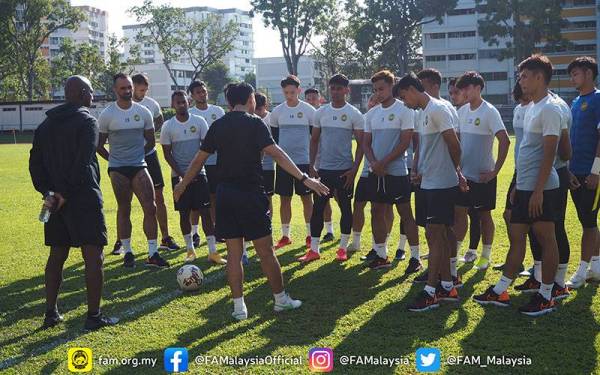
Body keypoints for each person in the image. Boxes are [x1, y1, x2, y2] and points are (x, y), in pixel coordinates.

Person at [173, 82, 329, 320]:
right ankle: (280, 300)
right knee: (266, 251)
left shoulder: (218, 125)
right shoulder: (255, 123)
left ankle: (239, 308)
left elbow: (198, 160)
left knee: (234, 254)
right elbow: (276, 153)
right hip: (250, 195)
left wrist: (182, 185)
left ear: (228, 102)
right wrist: (304, 178)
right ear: (250, 100)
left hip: (224, 196)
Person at [473, 54, 562, 316]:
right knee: (516, 238)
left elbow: (550, 154)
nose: (520, 81)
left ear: (539, 77)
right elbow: (526, 151)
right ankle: (501, 289)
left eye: (524, 76)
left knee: (547, 240)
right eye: (520, 76)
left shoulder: (549, 108)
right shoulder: (531, 107)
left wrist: (536, 190)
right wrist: (518, 185)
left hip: (543, 188)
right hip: (524, 186)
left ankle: (546, 295)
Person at [29, 75, 118, 330]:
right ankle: (93, 316)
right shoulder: (87, 121)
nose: (93, 97)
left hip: (54, 200)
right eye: (90, 92)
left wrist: (49, 192)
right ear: (81, 93)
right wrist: (65, 193)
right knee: (94, 256)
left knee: (57, 254)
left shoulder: (45, 125)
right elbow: (83, 161)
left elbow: (34, 164)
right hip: (82, 198)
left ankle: (50, 313)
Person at [396, 72, 465, 312]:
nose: (405, 103)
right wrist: (420, 170)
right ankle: (447, 286)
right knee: (439, 235)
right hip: (429, 183)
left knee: (435, 236)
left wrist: (455, 173)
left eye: (404, 97)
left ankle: (431, 291)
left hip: (442, 185)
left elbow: (455, 144)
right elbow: (428, 149)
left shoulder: (438, 109)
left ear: (412, 90)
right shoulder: (424, 112)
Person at [97, 73, 169, 268]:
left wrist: (137, 156)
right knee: (124, 208)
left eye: (129, 87)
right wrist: (114, 160)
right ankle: (128, 252)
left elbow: (151, 141)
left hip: (139, 165)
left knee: (151, 206)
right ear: (115, 90)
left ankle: (153, 252)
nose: (127, 91)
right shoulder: (107, 115)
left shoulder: (143, 112)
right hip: (118, 169)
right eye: (123, 88)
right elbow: (99, 145)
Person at [302, 74, 364, 263]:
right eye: (333, 88)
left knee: (345, 208)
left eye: (339, 88)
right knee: (318, 208)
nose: (336, 92)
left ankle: (343, 248)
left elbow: (361, 145)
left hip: (345, 170)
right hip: (323, 170)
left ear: (347, 90)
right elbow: (314, 141)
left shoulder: (354, 113)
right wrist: (312, 165)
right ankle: (314, 249)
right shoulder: (321, 112)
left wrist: (354, 170)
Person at [160, 90, 226, 265]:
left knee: (205, 212)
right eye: (178, 102)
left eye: (183, 102)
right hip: (178, 177)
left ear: (188, 102)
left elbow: (206, 149)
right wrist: (183, 175)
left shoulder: (199, 121)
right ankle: (190, 249)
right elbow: (167, 154)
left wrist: (194, 171)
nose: (181, 105)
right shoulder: (168, 126)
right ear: (173, 105)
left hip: (200, 174)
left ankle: (213, 251)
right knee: (184, 213)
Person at [363, 70, 420, 271]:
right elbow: (366, 143)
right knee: (376, 211)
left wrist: (384, 162)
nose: (378, 93)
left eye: (382, 88)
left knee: (405, 213)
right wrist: (374, 163)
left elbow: (406, 142)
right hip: (376, 172)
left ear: (391, 86)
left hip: (396, 171)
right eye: (375, 89)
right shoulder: (371, 114)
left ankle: (415, 257)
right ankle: (381, 254)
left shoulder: (405, 111)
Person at [454, 72, 510, 271]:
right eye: (462, 89)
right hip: (463, 177)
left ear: (478, 88)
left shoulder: (490, 111)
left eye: (467, 88)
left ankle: (485, 256)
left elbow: (505, 140)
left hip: (483, 177)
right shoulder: (461, 112)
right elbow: (456, 143)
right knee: (459, 214)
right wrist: (457, 169)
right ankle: (455, 255)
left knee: (484, 216)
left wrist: (495, 171)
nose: (464, 92)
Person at [130, 73, 180, 253]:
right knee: (126, 200)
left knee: (158, 196)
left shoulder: (151, 104)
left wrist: (150, 133)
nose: (143, 93)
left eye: (145, 90)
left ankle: (165, 237)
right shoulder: (123, 105)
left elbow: (159, 119)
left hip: (150, 154)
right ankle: (122, 243)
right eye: (140, 89)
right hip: (130, 158)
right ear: (132, 86)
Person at [565, 56, 600, 288]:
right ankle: (596, 267)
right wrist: (568, 170)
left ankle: (580, 271)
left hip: (592, 173)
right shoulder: (576, 101)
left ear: (588, 73)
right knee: (586, 220)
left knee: (588, 223)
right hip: (575, 172)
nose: (572, 78)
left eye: (575, 73)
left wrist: (596, 170)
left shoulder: (598, 99)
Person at [270, 75, 316, 250]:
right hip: (284, 164)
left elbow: (315, 139)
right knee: (284, 199)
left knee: (306, 198)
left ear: (299, 90)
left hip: (303, 162)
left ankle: (310, 235)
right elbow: (273, 140)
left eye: (292, 92)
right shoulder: (277, 112)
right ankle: (285, 235)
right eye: (286, 92)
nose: (289, 95)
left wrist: (313, 163)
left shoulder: (309, 111)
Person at [188, 80, 226, 249]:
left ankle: (217, 230)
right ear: (192, 95)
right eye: (198, 92)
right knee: (196, 201)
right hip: (199, 164)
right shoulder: (190, 114)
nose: (202, 94)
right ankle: (194, 232)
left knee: (215, 197)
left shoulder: (218, 111)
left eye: (203, 91)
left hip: (218, 162)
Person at [305, 88, 336, 242]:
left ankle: (335, 229)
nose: (311, 101)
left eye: (313, 98)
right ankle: (326, 230)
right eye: (308, 99)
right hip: (316, 163)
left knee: (337, 197)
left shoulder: (325, 115)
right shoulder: (306, 117)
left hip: (332, 164)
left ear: (320, 99)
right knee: (321, 198)